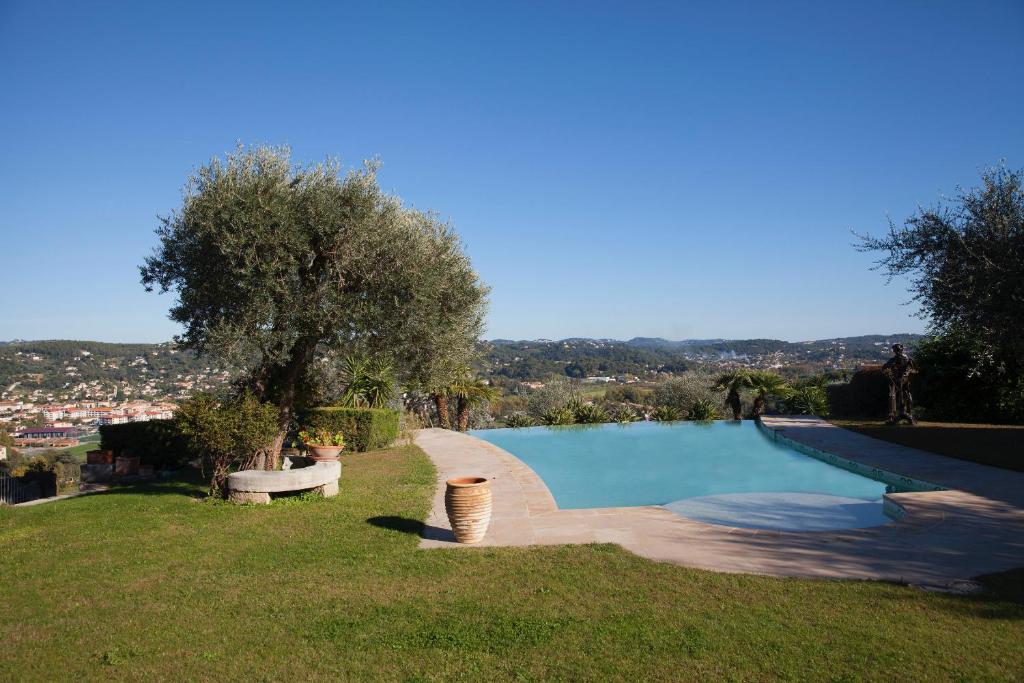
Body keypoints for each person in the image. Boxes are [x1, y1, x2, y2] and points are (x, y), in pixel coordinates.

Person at [882, 343, 916, 424]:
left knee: (893, 395)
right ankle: (908, 412)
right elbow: (913, 368)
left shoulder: (895, 359)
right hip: (905, 379)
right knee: (905, 394)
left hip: (899, 380)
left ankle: (894, 414)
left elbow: (885, 367)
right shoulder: (907, 358)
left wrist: (886, 370)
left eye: (895, 350)